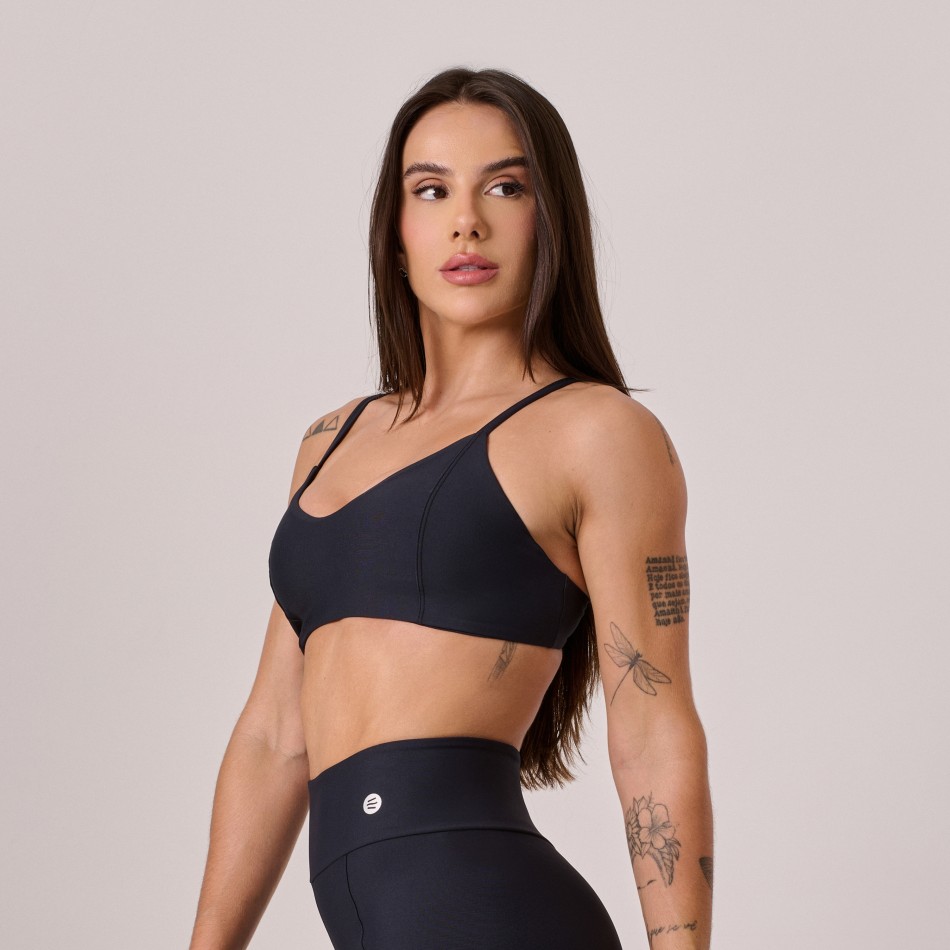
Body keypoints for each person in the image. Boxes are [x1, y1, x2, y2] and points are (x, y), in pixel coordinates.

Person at [189, 66, 713, 950]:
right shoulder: (330, 442)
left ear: (551, 220)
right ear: (395, 233)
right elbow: (275, 735)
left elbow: (653, 724)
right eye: (431, 190)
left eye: (505, 187)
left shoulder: (597, 433)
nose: (466, 221)